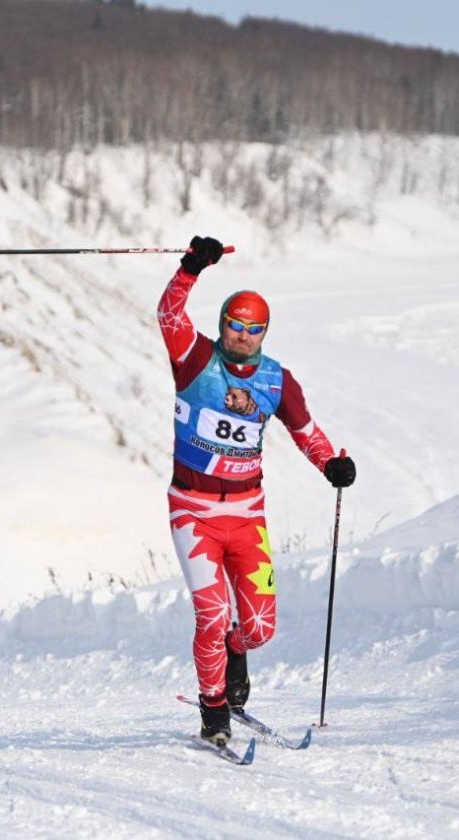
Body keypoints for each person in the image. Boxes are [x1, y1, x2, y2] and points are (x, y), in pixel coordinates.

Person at [159, 235, 356, 747]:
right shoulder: (194, 357)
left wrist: (332, 464)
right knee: (212, 611)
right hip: (193, 512)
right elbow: (169, 316)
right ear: (223, 325)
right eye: (234, 325)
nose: (242, 335)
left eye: (253, 329)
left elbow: (307, 432)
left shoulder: (276, 380)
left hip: (248, 515)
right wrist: (190, 270)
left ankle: (233, 651)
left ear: (264, 332)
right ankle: (214, 707)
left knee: (260, 628)